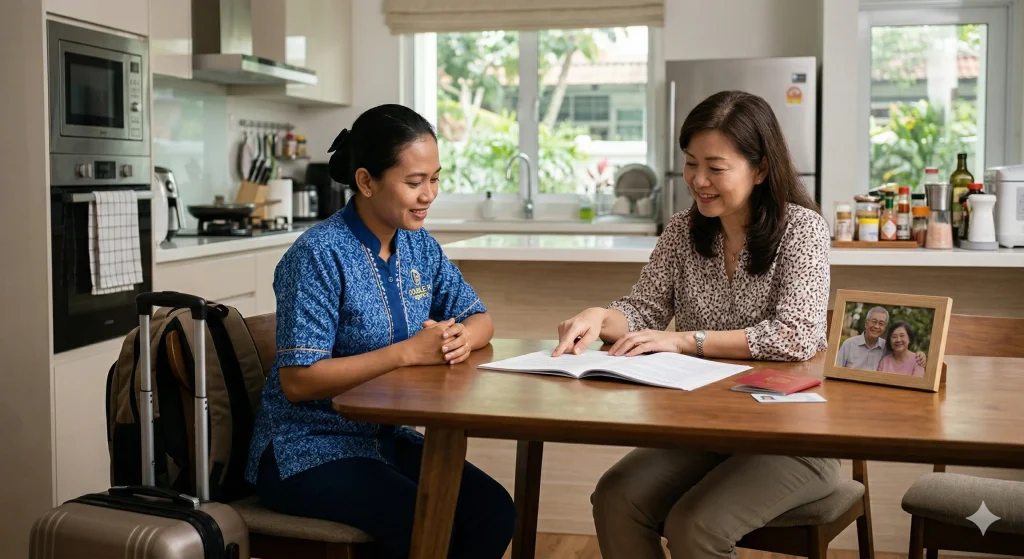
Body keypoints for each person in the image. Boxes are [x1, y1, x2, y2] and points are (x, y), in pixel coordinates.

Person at [552, 90, 839, 559]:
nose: (698, 180)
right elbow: (643, 310)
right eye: (690, 164)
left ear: (761, 169)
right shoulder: (684, 229)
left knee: (694, 526)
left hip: (793, 439)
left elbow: (797, 334)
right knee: (615, 497)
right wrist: (598, 316)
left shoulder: (801, 228)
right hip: (701, 429)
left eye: (715, 167)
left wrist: (687, 341)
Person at [245, 104, 515, 559]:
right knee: (428, 524)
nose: (428, 194)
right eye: (414, 182)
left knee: (493, 510)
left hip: (382, 440)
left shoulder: (418, 245)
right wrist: (408, 352)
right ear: (367, 181)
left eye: (435, 179)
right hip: (307, 449)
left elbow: (480, 317)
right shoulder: (317, 255)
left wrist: (462, 337)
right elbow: (298, 380)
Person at [835, 306, 926, 370]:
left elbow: (903, 355)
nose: (876, 326)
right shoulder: (849, 344)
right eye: (874, 321)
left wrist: (920, 354)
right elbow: (836, 370)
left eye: (881, 324)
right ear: (866, 323)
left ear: (884, 328)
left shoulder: (887, 347)